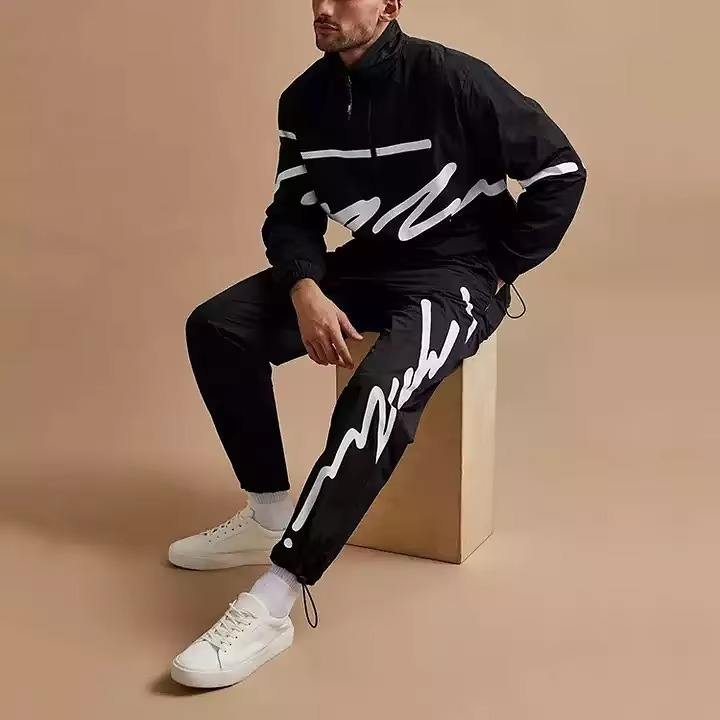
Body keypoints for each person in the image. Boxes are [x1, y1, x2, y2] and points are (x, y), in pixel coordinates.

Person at [168, 0, 587, 688]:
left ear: (389, 6)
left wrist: (500, 267)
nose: (323, 8)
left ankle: (275, 598)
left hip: (456, 274)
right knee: (217, 327)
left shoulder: (452, 78)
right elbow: (291, 215)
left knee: (378, 392)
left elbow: (560, 172)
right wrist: (306, 288)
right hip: (365, 266)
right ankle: (267, 516)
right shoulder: (304, 100)